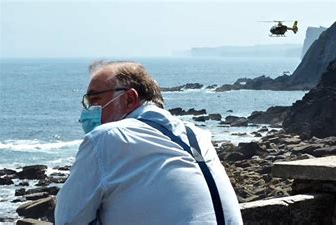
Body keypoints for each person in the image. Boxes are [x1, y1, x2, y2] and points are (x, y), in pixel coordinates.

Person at [55, 61, 243, 225]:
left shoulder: (106, 137)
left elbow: (68, 219)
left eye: (95, 99)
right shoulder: (197, 135)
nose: (89, 109)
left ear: (129, 98)